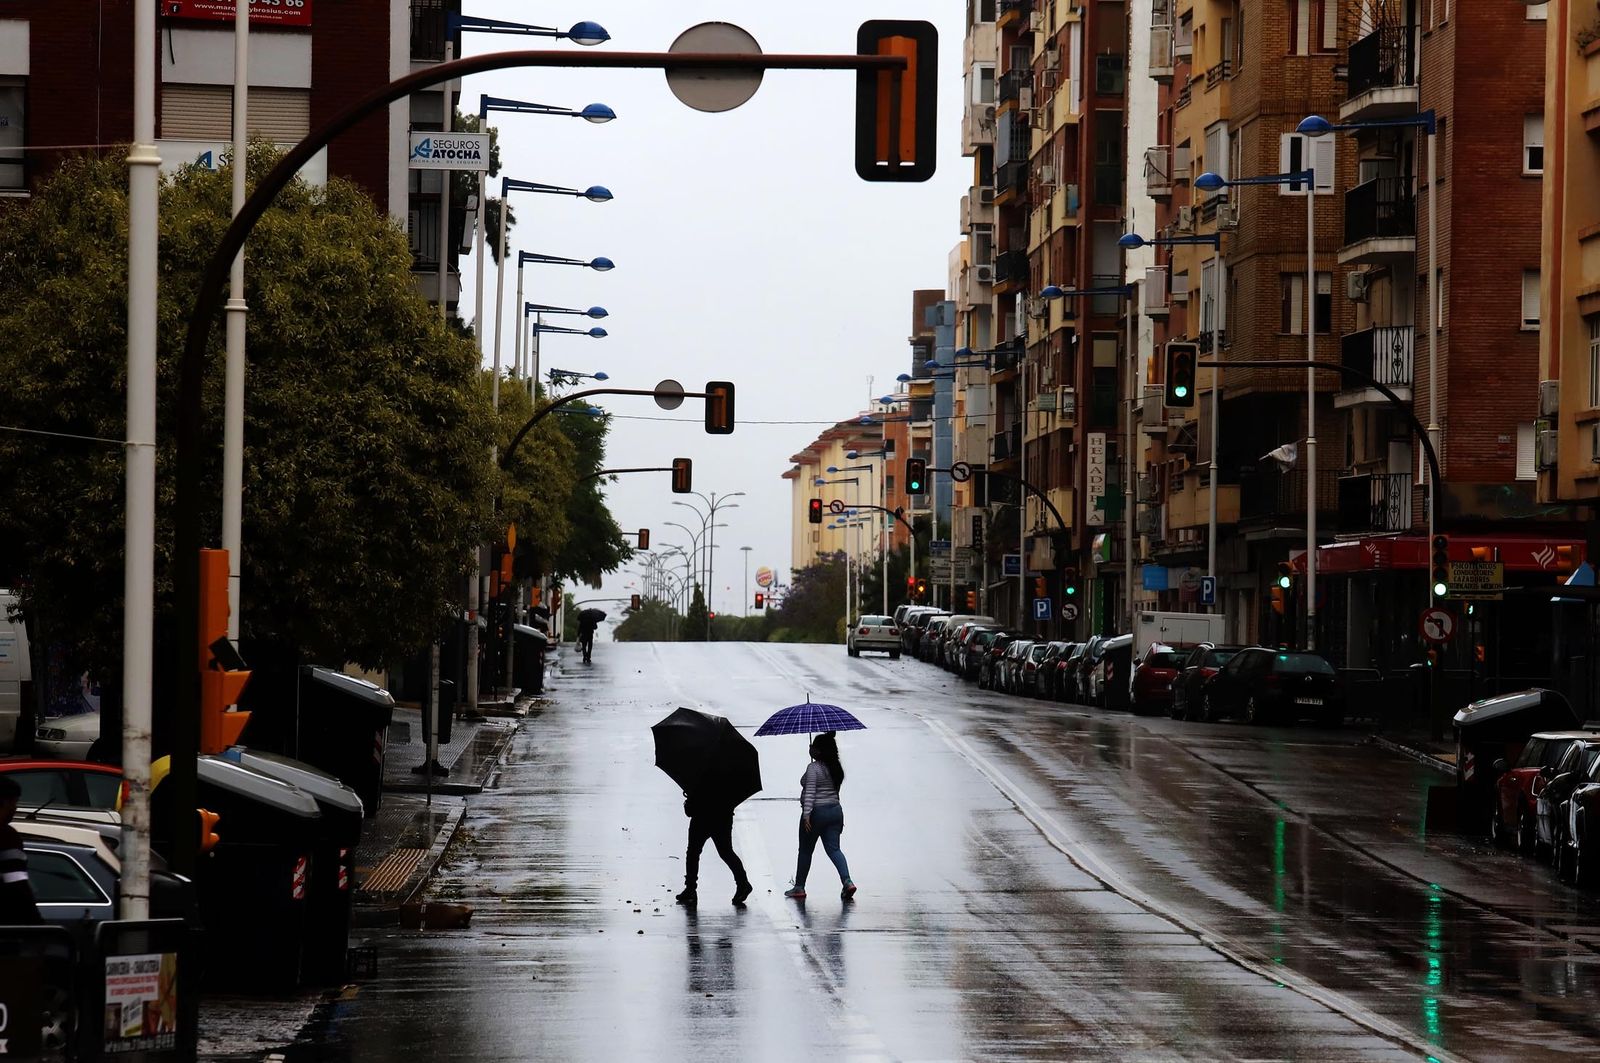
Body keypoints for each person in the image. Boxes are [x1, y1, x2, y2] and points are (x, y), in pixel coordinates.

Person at [785, 731, 855, 901]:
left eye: (813, 747)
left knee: (806, 850)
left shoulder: (813, 768)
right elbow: (817, 785)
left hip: (816, 813)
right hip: (835, 811)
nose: (810, 748)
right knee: (834, 849)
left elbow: (809, 792)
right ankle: (847, 881)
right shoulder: (835, 768)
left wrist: (807, 815)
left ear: (818, 751)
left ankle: (799, 887)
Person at [676, 788, 752, 908]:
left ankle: (690, 888)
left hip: (702, 815)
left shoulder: (698, 773)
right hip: (721, 815)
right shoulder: (728, 774)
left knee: (694, 853)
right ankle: (743, 884)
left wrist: (690, 795)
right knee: (725, 852)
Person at [0, 776, 40, 924]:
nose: (16, 808)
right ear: (5, 802)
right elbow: (16, 882)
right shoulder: (6, 836)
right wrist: (36, 925)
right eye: (14, 802)